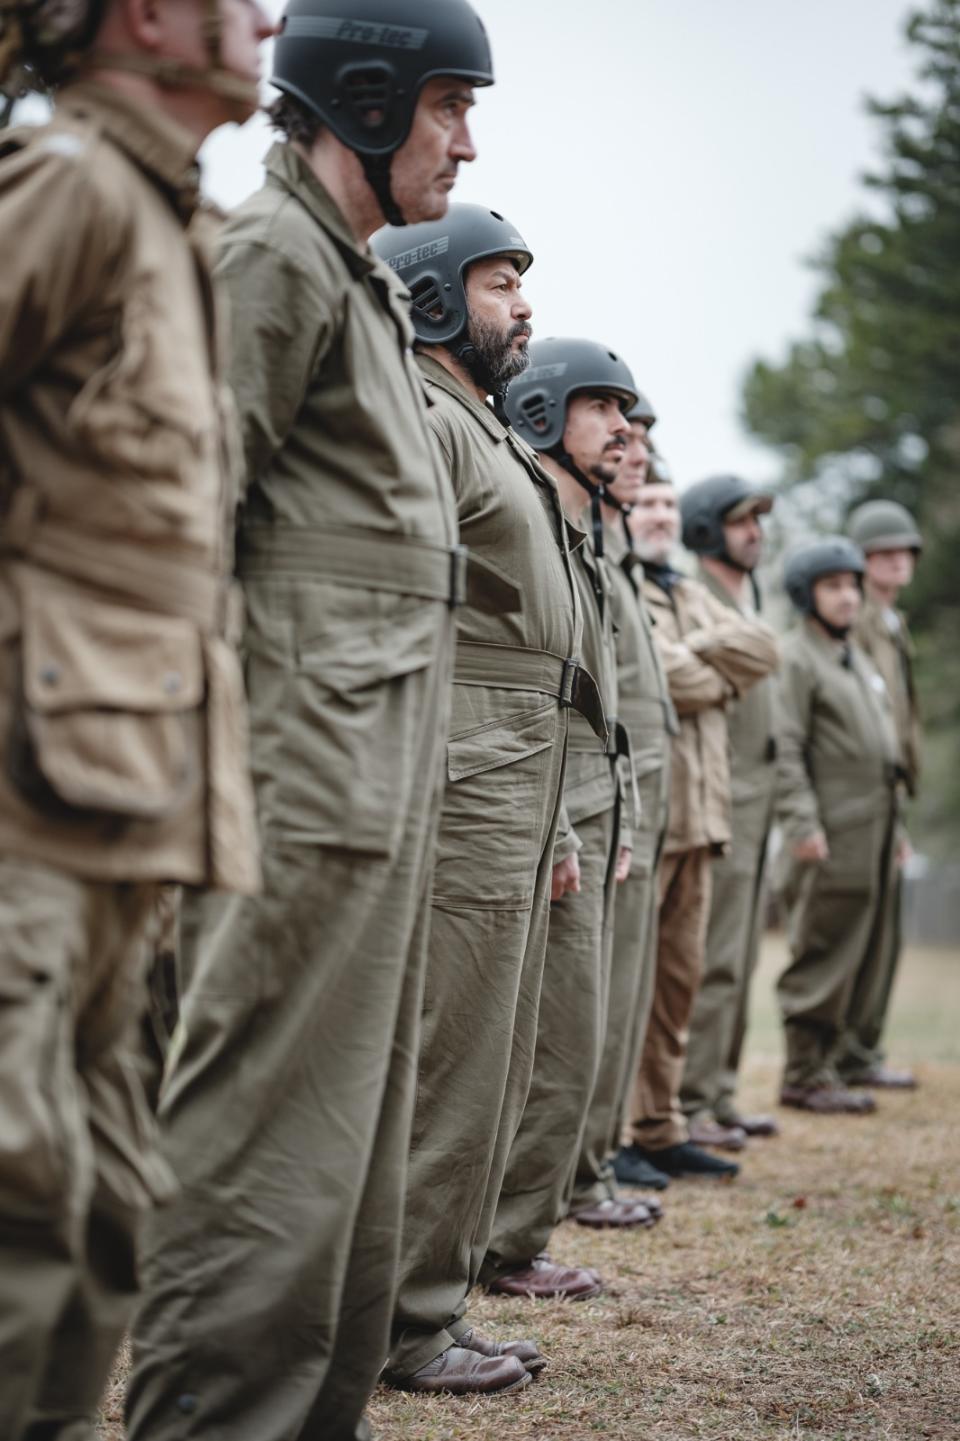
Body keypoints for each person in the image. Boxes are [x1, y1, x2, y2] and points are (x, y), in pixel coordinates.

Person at [126, 4, 496, 1439]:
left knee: (351, 1147)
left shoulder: (357, 284)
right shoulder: (273, 258)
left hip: (377, 774)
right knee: (266, 1139)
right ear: (366, 97)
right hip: (297, 773)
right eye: (449, 104)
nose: (466, 138)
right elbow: (180, 524)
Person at [0, 0, 270, 1434]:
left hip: (129, 785)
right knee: (15, 1187)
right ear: (151, 15)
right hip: (24, 787)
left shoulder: (182, 230)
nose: (269, 19)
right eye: (238, 0)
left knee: (100, 1202)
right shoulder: (70, 186)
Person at [372, 206, 607, 1395]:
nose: (525, 306)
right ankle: (402, 1324)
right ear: (428, 294)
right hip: (462, 766)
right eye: (503, 282)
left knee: (496, 1063)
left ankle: (431, 1300)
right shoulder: (423, 414)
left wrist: (554, 812)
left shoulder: (480, 426)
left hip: (518, 765)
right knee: (450, 1062)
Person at [480, 336, 655, 1302]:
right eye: (603, 408)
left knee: (569, 1042)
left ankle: (512, 1237)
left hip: (579, 813)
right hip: (534, 812)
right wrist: (558, 825)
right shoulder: (533, 524)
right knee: (539, 1048)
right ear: (544, 414)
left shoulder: (575, 532)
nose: (624, 429)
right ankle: (503, 1244)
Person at [616, 465, 778, 1184]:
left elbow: (763, 650)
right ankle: (611, 1133)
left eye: (667, 504)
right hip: (650, 818)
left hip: (704, 819)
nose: (657, 514)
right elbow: (658, 674)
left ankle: (658, 1127)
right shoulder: (623, 583)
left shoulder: (684, 587)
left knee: (679, 984)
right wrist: (716, 672)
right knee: (630, 985)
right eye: (647, 501)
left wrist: (701, 667)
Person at [569, 397, 677, 1214]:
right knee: (583, 1004)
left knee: (623, 992)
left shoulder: (615, 552)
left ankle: (596, 1160)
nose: (634, 452)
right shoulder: (586, 542)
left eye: (641, 439)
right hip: (581, 796)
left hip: (627, 800)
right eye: (621, 434)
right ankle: (577, 1172)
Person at [775, 537, 903, 1114]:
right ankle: (803, 1072)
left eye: (852, 585)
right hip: (830, 833)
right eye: (834, 586)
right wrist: (802, 821)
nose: (849, 597)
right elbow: (786, 745)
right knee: (823, 949)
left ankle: (839, 1060)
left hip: (872, 831)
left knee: (862, 950)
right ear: (808, 594)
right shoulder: (799, 658)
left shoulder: (854, 658)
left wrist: (895, 831)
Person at [679, 475, 781, 1147]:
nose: (756, 532)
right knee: (710, 959)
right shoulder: (696, 595)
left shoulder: (751, 597)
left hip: (758, 801)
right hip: (720, 800)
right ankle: (689, 1100)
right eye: (743, 520)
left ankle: (718, 1093)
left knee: (741, 958)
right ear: (710, 528)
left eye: (758, 520)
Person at [837, 499, 924, 1090]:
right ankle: (844, 1052)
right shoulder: (860, 619)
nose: (897, 561)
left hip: (890, 791)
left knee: (885, 933)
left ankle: (863, 1050)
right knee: (855, 933)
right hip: (861, 793)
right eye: (883, 553)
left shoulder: (892, 622)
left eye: (904, 551)